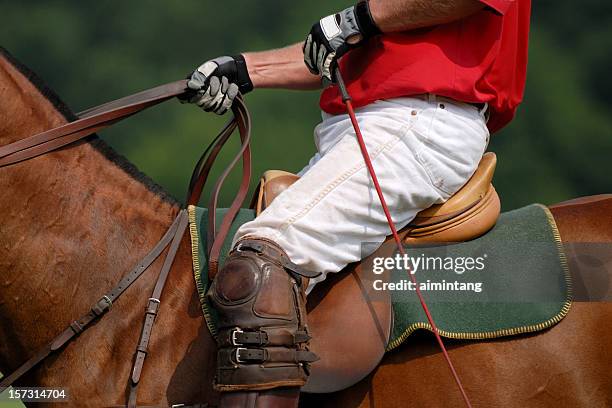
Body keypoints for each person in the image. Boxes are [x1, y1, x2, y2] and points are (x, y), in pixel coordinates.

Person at [184, 0, 530, 406]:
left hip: (418, 121)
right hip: (368, 127)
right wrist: (246, 69)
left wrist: (359, 19)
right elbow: (342, 48)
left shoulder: (382, 11)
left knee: (262, 261)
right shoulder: (390, 13)